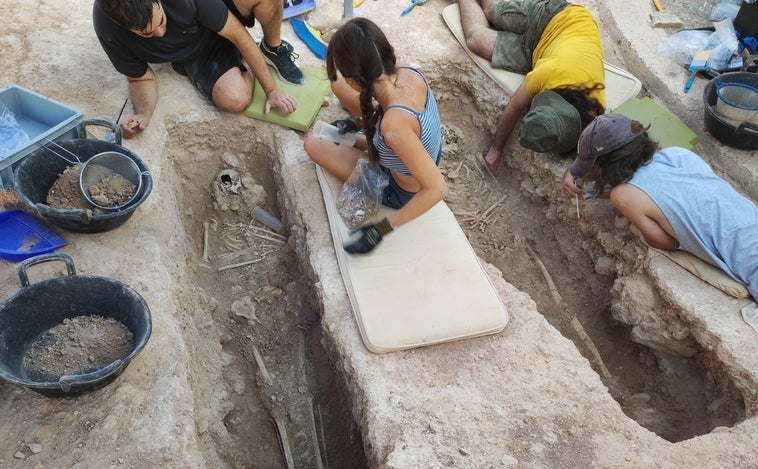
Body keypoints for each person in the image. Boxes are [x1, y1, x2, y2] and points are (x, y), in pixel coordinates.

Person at [562, 113, 758, 301]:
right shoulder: (679, 154)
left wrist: (604, 193)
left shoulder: (622, 195)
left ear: (605, 166)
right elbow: (660, 185)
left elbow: (666, 243)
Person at [303, 18, 447, 254]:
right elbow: (397, 132)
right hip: (418, 154)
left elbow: (437, 189)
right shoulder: (409, 72)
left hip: (400, 190)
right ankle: (354, 132)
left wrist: (380, 231)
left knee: (313, 144)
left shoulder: (393, 128)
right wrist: (357, 123)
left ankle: (356, 137)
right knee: (336, 90)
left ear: (354, 81)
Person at [93, 0, 302, 139]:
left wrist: (271, 90)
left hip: (216, 11)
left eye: (162, 22)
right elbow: (140, 79)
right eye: (147, 34)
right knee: (234, 99)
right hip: (196, 51)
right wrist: (143, 114)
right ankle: (239, 61)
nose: (160, 33)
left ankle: (272, 48)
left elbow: (238, 35)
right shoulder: (108, 29)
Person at [458, 0, 606, 173]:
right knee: (491, 12)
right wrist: (496, 148)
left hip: (541, 54)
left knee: (476, 40)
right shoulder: (551, 73)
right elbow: (515, 106)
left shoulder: (593, 111)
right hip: (556, 18)